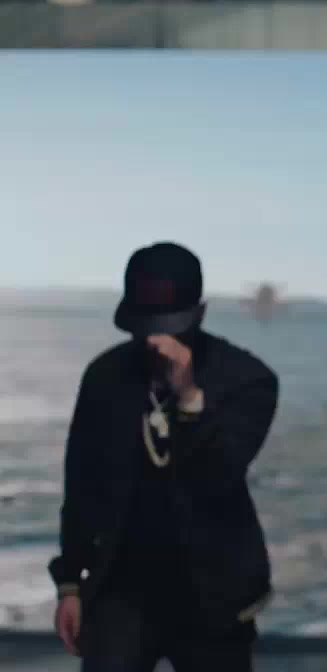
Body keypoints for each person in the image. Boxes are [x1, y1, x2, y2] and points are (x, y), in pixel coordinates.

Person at [49, 241, 279, 672]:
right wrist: (70, 584)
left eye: (169, 326)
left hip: (212, 591)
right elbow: (82, 483)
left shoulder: (247, 381)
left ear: (201, 313)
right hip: (122, 588)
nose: (156, 340)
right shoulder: (105, 376)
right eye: (145, 326)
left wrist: (188, 395)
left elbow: (218, 476)